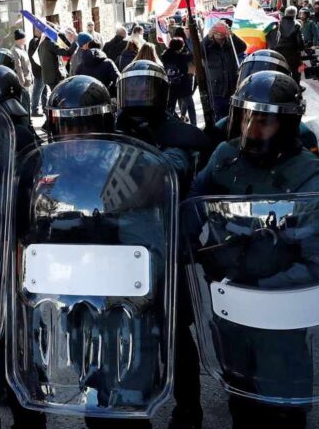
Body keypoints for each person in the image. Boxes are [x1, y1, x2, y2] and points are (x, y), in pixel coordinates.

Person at [190, 70, 319, 428]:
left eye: (264, 122)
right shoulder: (225, 156)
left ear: (288, 124)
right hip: (228, 295)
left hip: (280, 306)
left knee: (282, 399)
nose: (251, 131)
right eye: (246, 118)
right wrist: (184, 241)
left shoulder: (315, 179)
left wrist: (265, 291)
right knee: (238, 387)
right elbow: (196, 201)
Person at [114, 59, 213, 429]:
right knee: (129, 327)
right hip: (121, 249)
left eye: (146, 90)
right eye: (132, 89)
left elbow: (166, 173)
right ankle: (128, 399)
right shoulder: (112, 130)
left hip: (168, 247)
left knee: (176, 334)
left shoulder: (178, 137)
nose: (138, 98)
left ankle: (189, 407)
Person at [203, 21, 247, 119]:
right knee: (218, 119)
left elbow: (243, 47)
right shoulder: (208, 46)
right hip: (216, 90)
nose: (220, 38)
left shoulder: (231, 42)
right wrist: (207, 38)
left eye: (222, 35)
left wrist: (233, 36)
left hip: (232, 89)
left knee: (233, 117)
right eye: (217, 34)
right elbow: (198, 52)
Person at [163, 37, 197, 126]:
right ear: (180, 46)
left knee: (170, 108)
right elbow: (193, 54)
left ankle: (169, 126)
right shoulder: (182, 57)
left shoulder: (164, 56)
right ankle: (194, 125)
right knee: (190, 106)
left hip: (170, 85)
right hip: (183, 85)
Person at [274, 6, 305, 82]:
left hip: (279, 50)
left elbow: (274, 37)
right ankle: (297, 87)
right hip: (292, 51)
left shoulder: (278, 23)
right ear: (295, 14)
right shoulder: (297, 24)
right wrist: (302, 48)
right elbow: (299, 40)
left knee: (281, 69)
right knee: (295, 70)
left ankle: (281, 85)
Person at [10, 31, 34, 113]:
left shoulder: (22, 49)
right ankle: (26, 120)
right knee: (24, 103)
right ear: (20, 39)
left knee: (27, 102)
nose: (25, 40)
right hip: (23, 81)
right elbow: (18, 67)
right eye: (24, 38)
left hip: (28, 78)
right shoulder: (15, 50)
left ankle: (28, 119)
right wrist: (21, 80)